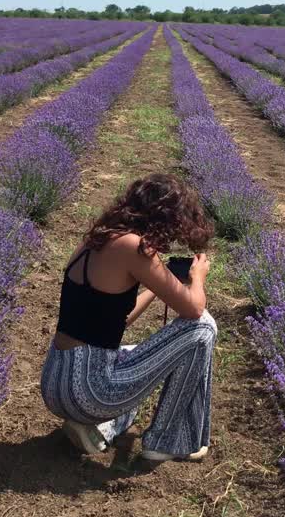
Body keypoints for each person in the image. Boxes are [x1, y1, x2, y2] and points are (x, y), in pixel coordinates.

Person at [40, 173, 217, 462]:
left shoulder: (97, 240)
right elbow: (194, 309)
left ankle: (98, 428)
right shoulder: (134, 246)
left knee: (145, 367)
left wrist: (160, 286)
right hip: (89, 390)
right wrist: (197, 278)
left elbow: (114, 321)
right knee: (203, 328)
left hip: (56, 382)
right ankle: (166, 443)